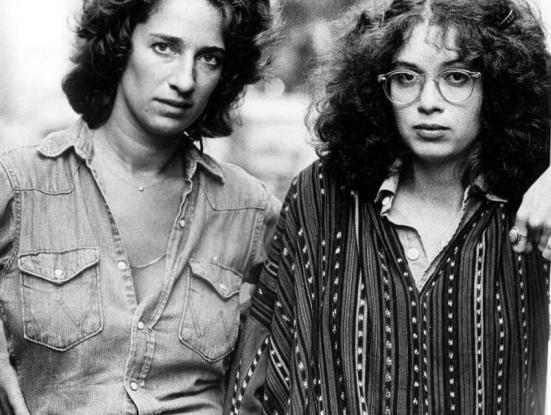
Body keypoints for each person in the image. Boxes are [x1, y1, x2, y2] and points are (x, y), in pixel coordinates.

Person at [229, 0, 551, 414]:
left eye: (456, 77)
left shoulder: (534, 202)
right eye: (405, 78)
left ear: (498, 84)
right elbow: (261, 373)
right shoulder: (323, 192)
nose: (428, 101)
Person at [0, 0, 280, 413]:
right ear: (119, 46)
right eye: (164, 47)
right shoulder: (21, 187)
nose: (185, 80)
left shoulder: (250, 212)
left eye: (209, 58)